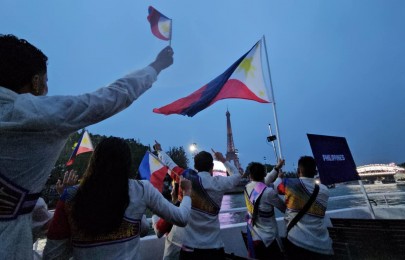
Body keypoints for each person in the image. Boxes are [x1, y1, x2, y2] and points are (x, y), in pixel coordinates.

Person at [0, 34, 173, 259]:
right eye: (45, 80)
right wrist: (155, 67)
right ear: (35, 81)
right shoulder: (32, 113)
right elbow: (109, 98)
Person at [43, 137, 192, 259]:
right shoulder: (140, 189)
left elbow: (52, 255)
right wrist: (186, 194)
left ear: (94, 161)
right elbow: (181, 218)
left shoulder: (70, 196)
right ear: (127, 164)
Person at [153, 141, 243, 260]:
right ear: (212, 167)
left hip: (190, 249)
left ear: (195, 167)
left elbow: (169, 164)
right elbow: (237, 175)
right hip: (214, 247)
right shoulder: (220, 183)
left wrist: (160, 150)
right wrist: (223, 160)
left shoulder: (186, 177)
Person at [275, 156, 333, 260]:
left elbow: (274, 188)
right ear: (315, 171)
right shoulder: (325, 190)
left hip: (296, 242)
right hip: (323, 245)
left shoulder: (289, 184)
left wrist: (279, 177)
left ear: (298, 170)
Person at [243, 160, 286, 259]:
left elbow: (263, 183)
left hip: (253, 234)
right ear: (264, 174)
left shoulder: (247, 188)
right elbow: (284, 209)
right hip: (269, 239)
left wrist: (277, 168)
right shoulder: (268, 192)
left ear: (250, 176)